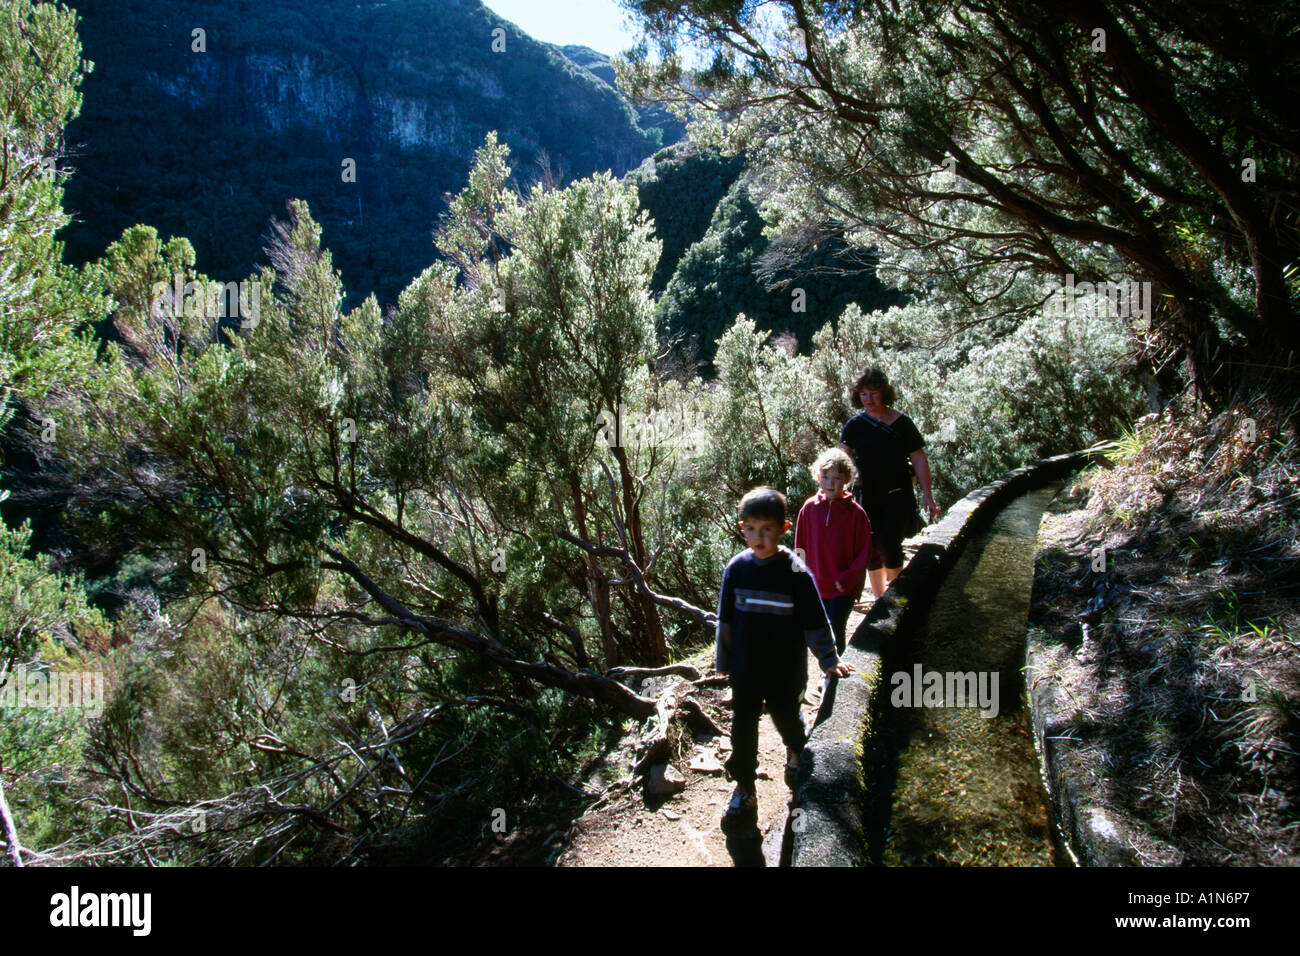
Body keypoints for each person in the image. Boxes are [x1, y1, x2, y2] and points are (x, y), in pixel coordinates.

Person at [714, 486, 854, 830]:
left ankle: (795, 749)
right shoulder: (736, 570)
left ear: (783, 528)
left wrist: (828, 658)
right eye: (750, 528)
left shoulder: (794, 571)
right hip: (746, 671)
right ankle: (745, 787)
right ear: (741, 527)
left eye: (767, 529)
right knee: (742, 730)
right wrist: (724, 662)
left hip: (785, 671)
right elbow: (726, 620)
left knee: (786, 719)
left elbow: (814, 619)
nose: (758, 537)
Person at [837, 367, 942, 598]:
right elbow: (840, 458)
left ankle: (895, 597)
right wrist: (832, 489)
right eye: (864, 394)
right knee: (871, 547)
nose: (869, 399)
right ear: (857, 396)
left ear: (884, 392)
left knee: (889, 543)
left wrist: (927, 494)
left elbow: (919, 458)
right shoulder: (854, 426)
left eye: (874, 393)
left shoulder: (902, 423)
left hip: (897, 493)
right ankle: (878, 598)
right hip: (865, 493)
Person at [794, 448, 872, 655]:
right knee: (819, 629)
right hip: (817, 585)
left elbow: (863, 554)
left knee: (835, 627)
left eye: (837, 478)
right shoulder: (809, 509)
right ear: (818, 477)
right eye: (826, 477)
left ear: (846, 480)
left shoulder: (857, 514)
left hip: (843, 587)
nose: (830, 483)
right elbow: (800, 545)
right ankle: (826, 669)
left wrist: (849, 578)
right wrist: (797, 578)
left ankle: (835, 671)